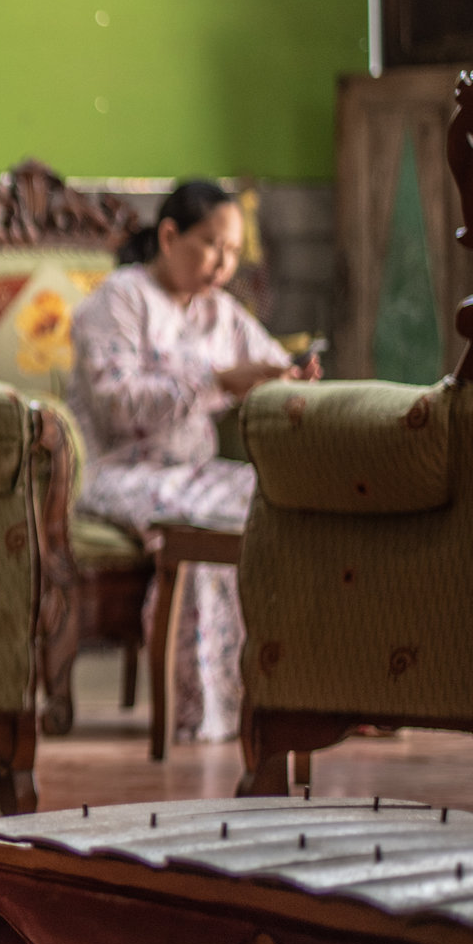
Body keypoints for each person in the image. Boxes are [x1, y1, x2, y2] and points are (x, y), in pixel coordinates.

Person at [67, 181, 318, 744]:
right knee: (213, 519)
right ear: (170, 235)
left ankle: (286, 692)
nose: (223, 264)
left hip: (191, 475)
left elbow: (270, 363)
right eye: (211, 245)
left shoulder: (218, 312)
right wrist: (219, 381)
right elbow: (116, 405)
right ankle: (202, 707)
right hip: (121, 475)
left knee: (277, 498)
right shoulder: (117, 301)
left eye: (232, 252)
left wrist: (293, 378)